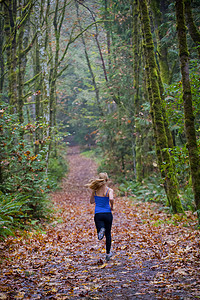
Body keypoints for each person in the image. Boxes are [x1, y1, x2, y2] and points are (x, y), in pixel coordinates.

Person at [86, 172, 114, 261]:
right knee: (108, 234)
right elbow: (111, 198)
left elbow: (91, 201)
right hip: (108, 214)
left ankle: (100, 230)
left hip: (98, 214)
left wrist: (96, 199)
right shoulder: (109, 190)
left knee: (100, 229)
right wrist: (112, 206)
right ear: (107, 180)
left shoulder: (95, 191)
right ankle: (108, 253)